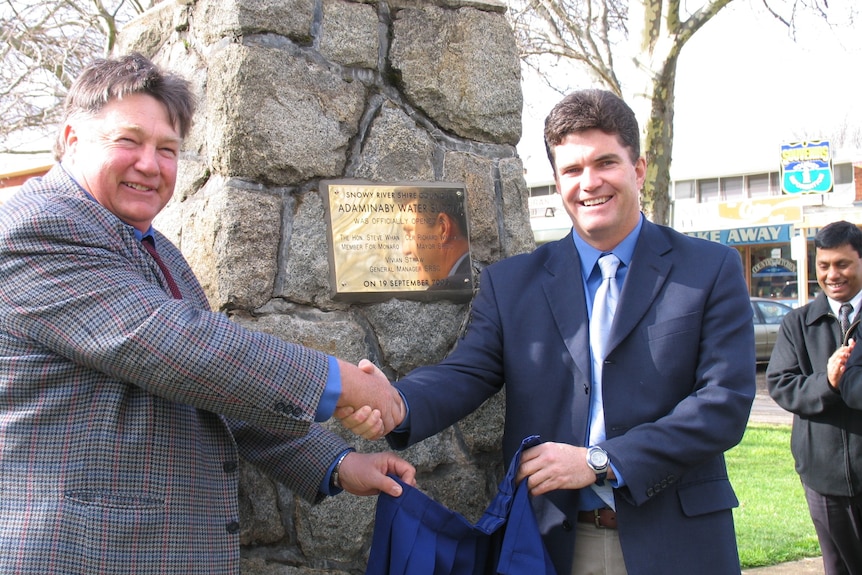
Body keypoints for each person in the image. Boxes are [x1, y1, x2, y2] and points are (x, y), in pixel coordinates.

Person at [0, 52, 413, 574]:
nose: (150, 164)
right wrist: (343, 383)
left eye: (167, 149)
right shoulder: (35, 226)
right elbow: (179, 349)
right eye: (129, 141)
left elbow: (210, 391)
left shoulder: (154, 248)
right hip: (84, 554)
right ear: (72, 139)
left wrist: (337, 461)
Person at [342, 88, 756, 575]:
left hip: (679, 543)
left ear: (638, 169)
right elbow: (466, 373)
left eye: (606, 163)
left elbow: (723, 404)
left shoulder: (710, 269)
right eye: (572, 170)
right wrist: (397, 403)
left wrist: (600, 461)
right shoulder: (512, 282)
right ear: (557, 181)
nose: (590, 183)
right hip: (552, 544)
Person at [767, 220, 862, 575]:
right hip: (822, 476)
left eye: (842, 264)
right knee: (837, 566)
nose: (832, 274)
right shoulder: (798, 323)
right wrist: (828, 382)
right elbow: (782, 384)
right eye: (823, 266)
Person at [398, 188, 472, 291]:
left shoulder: (451, 289)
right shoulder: (483, 277)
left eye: (411, 233)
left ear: (443, 229)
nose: (405, 250)